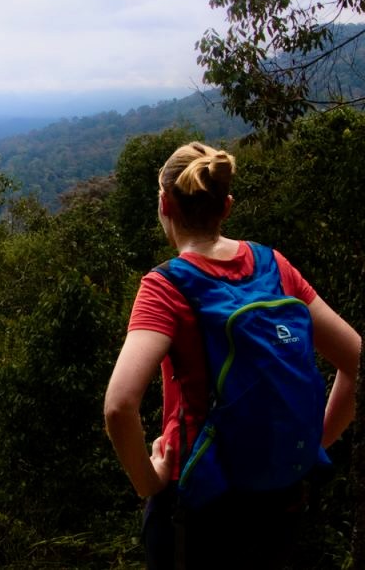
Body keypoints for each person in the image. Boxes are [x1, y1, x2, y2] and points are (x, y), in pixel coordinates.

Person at [103, 142, 360, 569]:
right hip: (281, 501)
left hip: (200, 504)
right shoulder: (274, 266)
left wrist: (148, 482)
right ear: (227, 206)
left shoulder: (166, 287)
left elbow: (119, 406)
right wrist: (312, 443)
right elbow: (357, 361)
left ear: (165, 204)